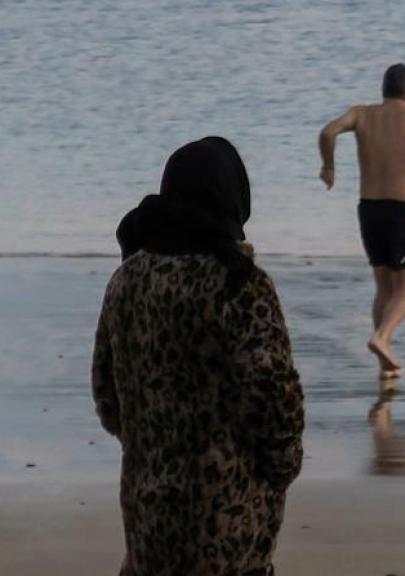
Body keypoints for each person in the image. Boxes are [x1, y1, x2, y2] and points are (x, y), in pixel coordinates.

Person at [93, 137, 305, 576]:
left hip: (147, 511)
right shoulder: (238, 285)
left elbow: (107, 398)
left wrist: (151, 441)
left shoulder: (126, 280)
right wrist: (281, 470)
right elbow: (275, 402)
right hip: (228, 522)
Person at [319, 63, 405, 379]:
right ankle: (381, 338)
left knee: (384, 285)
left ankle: (385, 364)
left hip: (369, 209)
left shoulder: (361, 114)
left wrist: (329, 167)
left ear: (384, 89)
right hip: (401, 212)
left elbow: (327, 131)